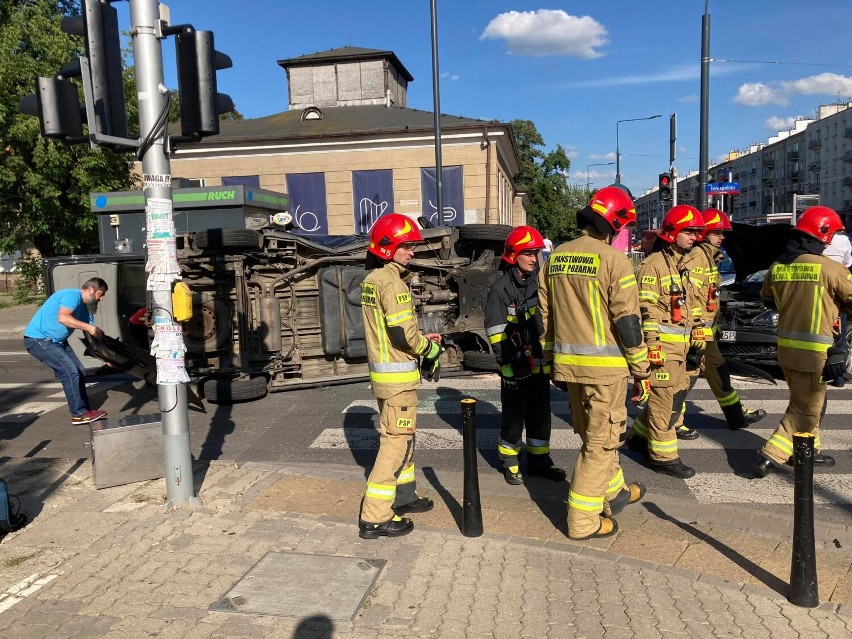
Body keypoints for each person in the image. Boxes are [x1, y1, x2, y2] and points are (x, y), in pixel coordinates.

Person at [539, 186, 650, 540]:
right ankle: (583, 522)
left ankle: (613, 492)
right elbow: (628, 322)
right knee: (600, 444)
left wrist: (551, 361)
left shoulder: (555, 257)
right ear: (615, 225)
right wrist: (641, 369)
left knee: (596, 434)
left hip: (569, 368)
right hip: (607, 371)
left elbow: (545, 317)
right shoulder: (615, 261)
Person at [752, 206, 852, 477]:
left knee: (808, 402)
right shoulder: (831, 269)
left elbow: (767, 299)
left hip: (786, 349)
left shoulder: (777, 267)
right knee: (803, 409)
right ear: (824, 236)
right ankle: (771, 454)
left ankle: (809, 452)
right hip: (818, 353)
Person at [358, 213, 441, 538]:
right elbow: (403, 335)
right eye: (406, 247)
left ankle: (404, 496)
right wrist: (430, 349)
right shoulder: (392, 283)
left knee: (402, 438)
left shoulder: (373, 280)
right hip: (398, 381)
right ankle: (375, 517)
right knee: (395, 443)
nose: (412, 252)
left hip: (385, 377)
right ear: (387, 247)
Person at [669, 209, 767, 439]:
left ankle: (736, 415)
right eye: (717, 233)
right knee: (687, 377)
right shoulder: (696, 258)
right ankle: (674, 422)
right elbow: (691, 298)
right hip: (696, 332)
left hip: (706, 332)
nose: (722, 238)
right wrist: (697, 331)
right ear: (704, 233)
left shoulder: (711, 258)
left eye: (723, 233)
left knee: (718, 372)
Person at [627, 205, 706, 479]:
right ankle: (663, 457)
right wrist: (653, 347)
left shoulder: (684, 265)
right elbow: (646, 311)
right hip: (663, 349)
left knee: (675, 396)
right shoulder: (654, 265)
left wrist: (699, 335)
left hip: (684, 349)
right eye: (689, 232)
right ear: (672, 233)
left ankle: (638, 436)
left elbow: (693, 306)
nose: (695, 237)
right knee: (666, 403)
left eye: (697, 232)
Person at [486, 226, 566, 486]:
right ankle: (510, 462)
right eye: (528, 253)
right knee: (513, 418)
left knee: (540, 416)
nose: (534, 258)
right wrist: (509, 365)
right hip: (515, 369)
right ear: (513, 255)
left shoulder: (539, 283)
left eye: (536, 253)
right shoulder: (500, 290)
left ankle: (540, 462)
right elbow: (497, 334)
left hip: (540, 365)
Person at [23, 278, 109, 425]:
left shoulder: (86, 308)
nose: (101, 299)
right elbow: (63, 318)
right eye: (100, 294)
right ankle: (78, 414)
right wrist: (89, 328)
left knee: (79, 370)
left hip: (58, 342)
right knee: (70, 371)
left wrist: (107, 357)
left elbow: (92, 337)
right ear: (90, 290)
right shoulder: (71, 296)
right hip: (39, 340)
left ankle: (85, 410)